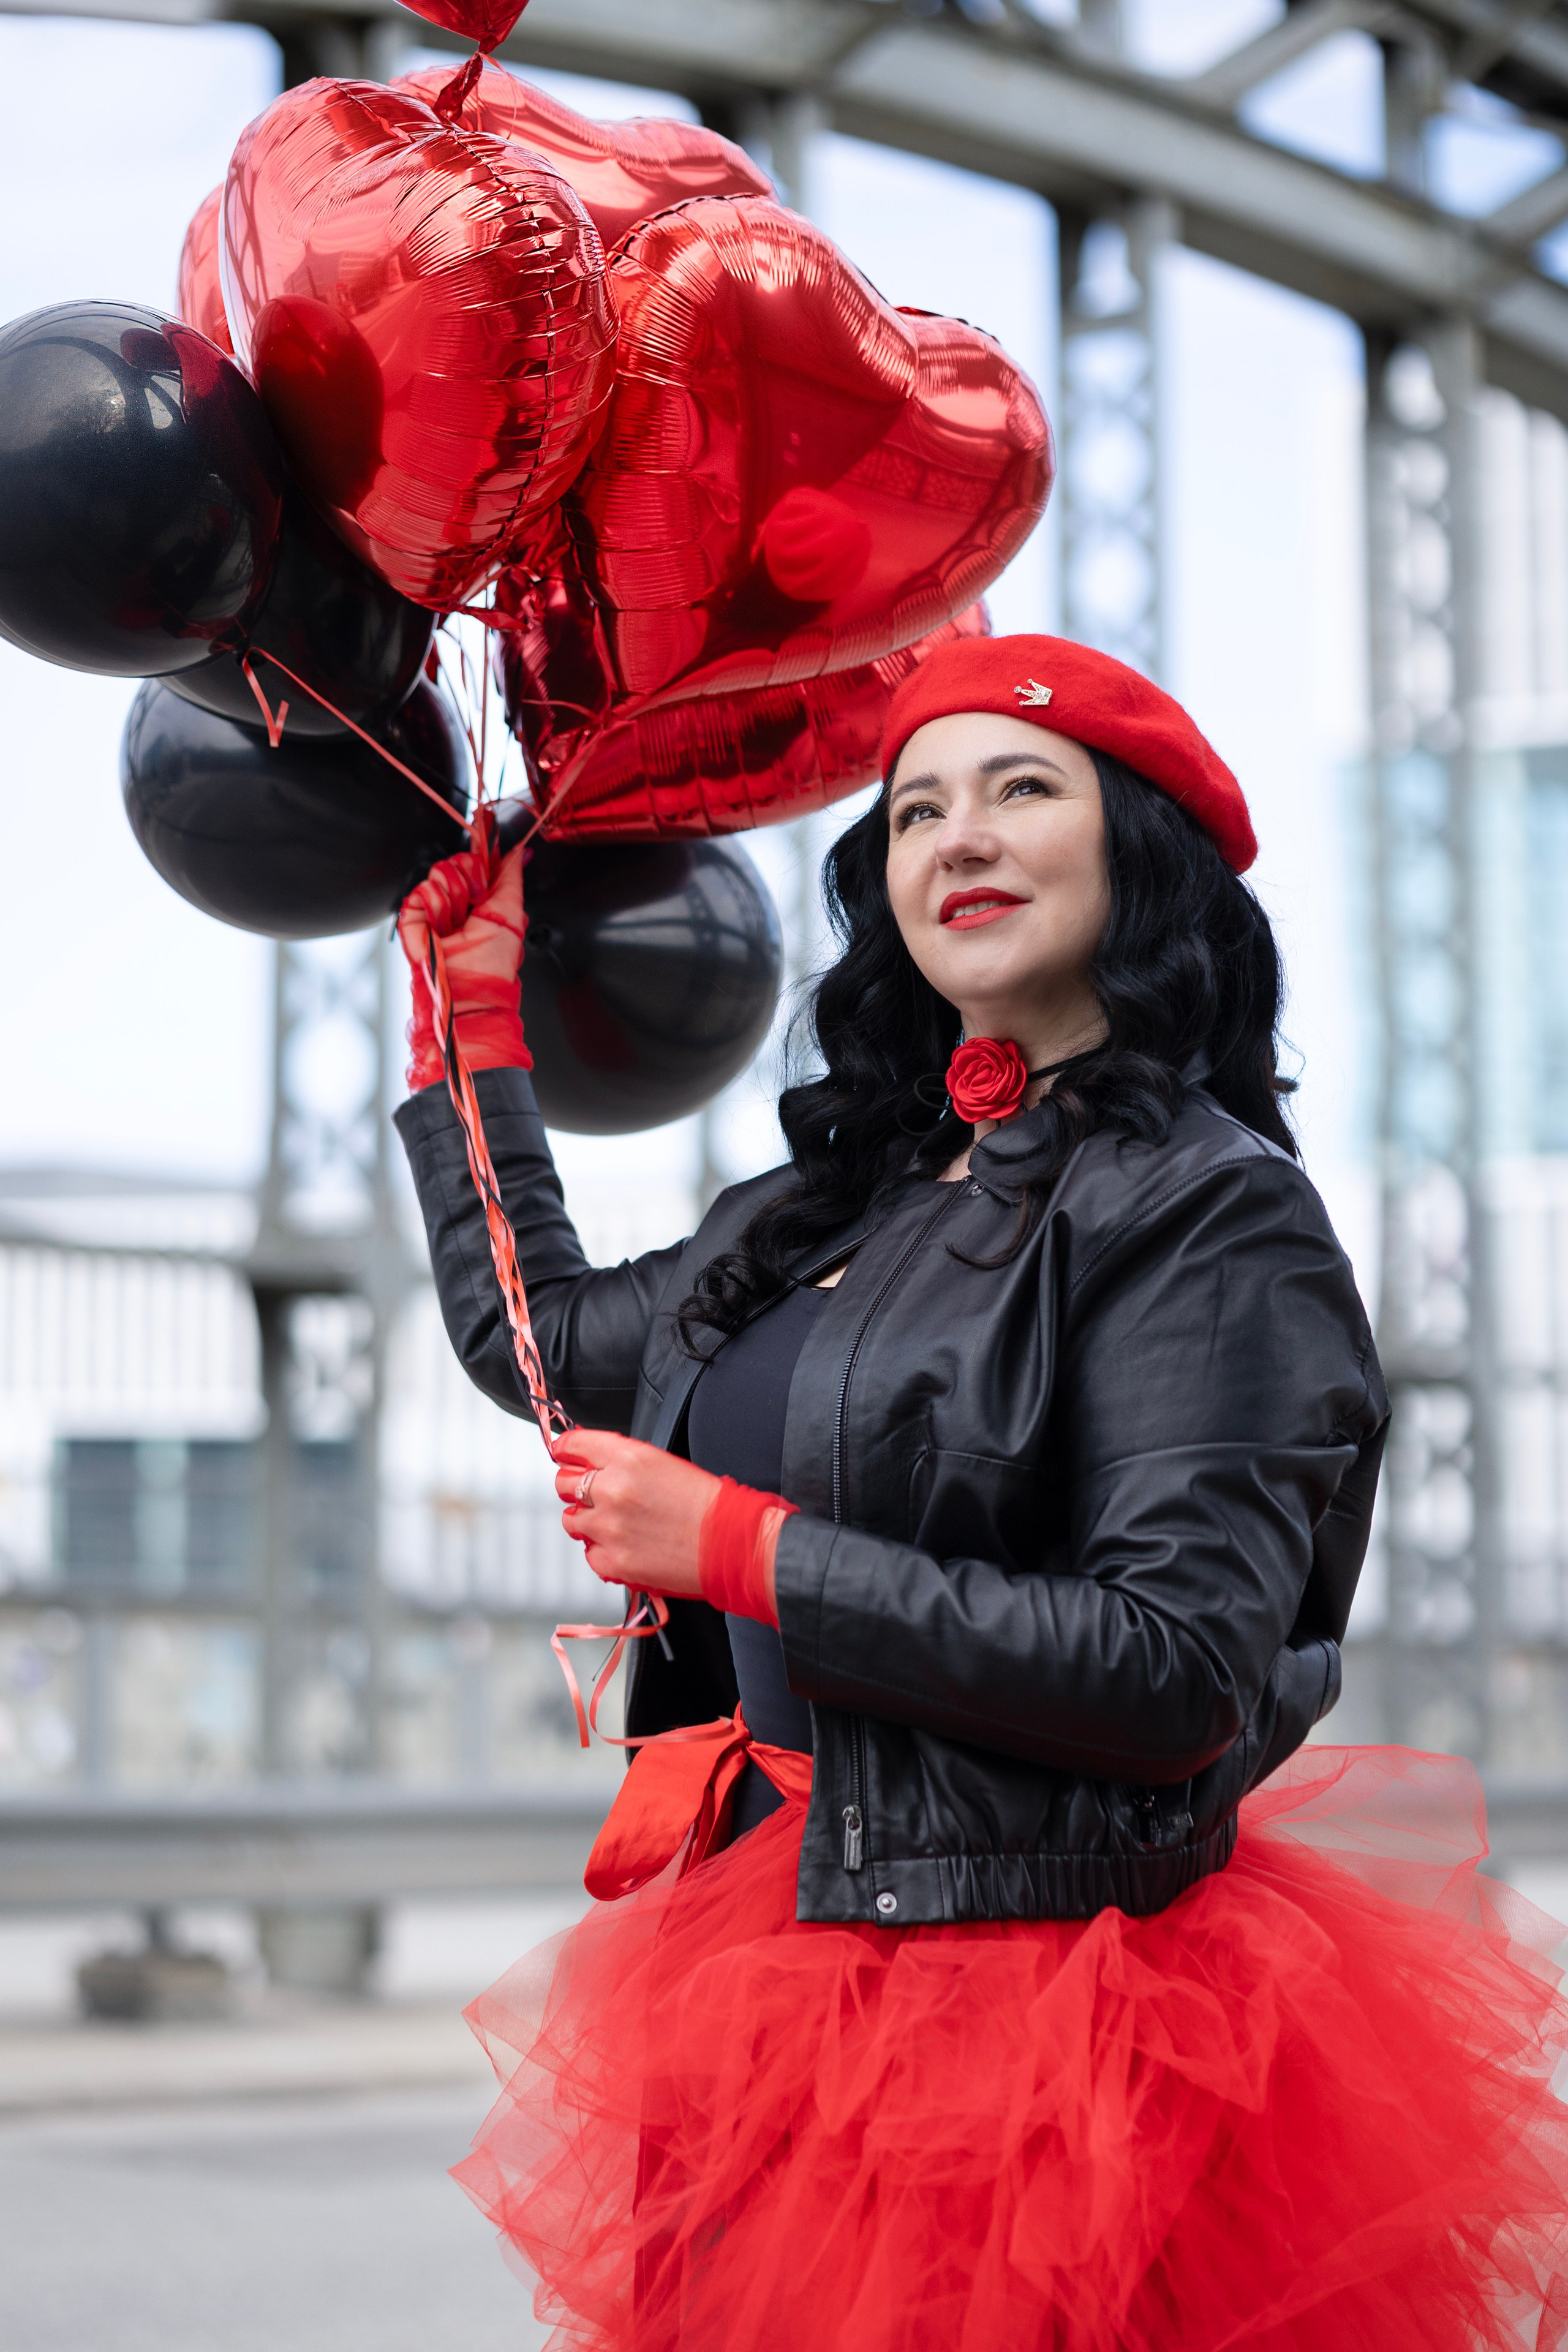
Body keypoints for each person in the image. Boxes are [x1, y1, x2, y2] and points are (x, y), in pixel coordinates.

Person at [394, 633, 1568, 2352]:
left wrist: (744, 1551)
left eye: (1023, 789)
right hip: (775, 1948)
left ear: (1139, 848)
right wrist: (470, 1025)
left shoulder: (1210, 1209)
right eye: (917, 810)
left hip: (1048, 2007)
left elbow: (1175, 1669)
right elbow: (543, 1341)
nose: (961, 837)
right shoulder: (834, 1200)